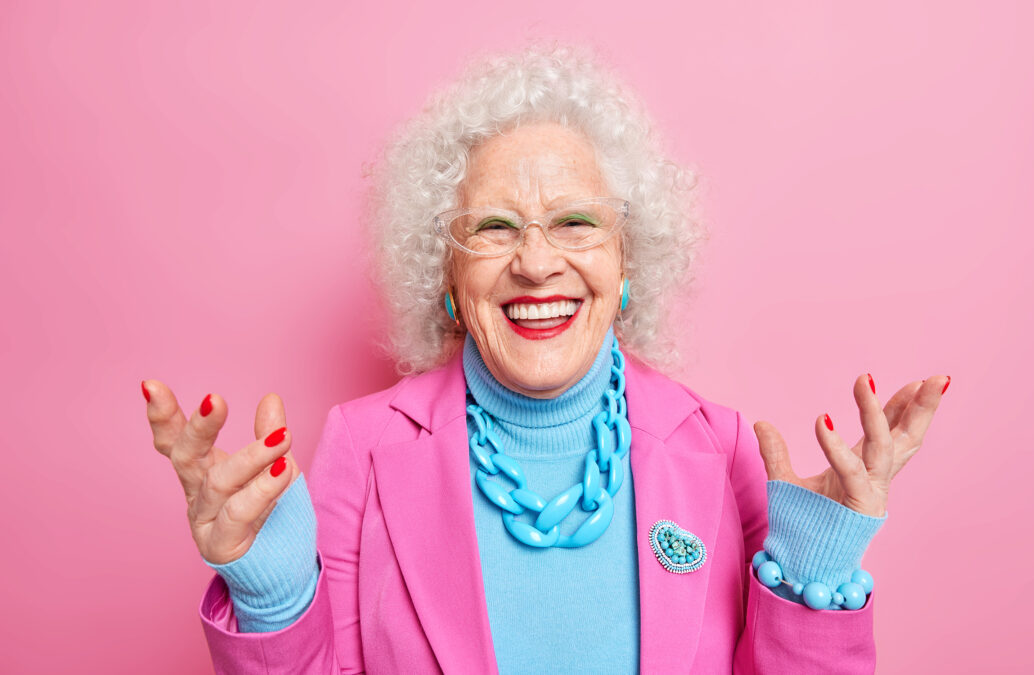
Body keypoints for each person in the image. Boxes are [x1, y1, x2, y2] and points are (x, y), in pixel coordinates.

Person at [142, 41, 948, 674]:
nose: (535, 262)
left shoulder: (719, 446)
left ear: (627, 264)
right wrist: (274, 599)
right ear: (447, 278)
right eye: (493, 227)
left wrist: (812, 571)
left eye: (574, 222)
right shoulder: (360, 447)